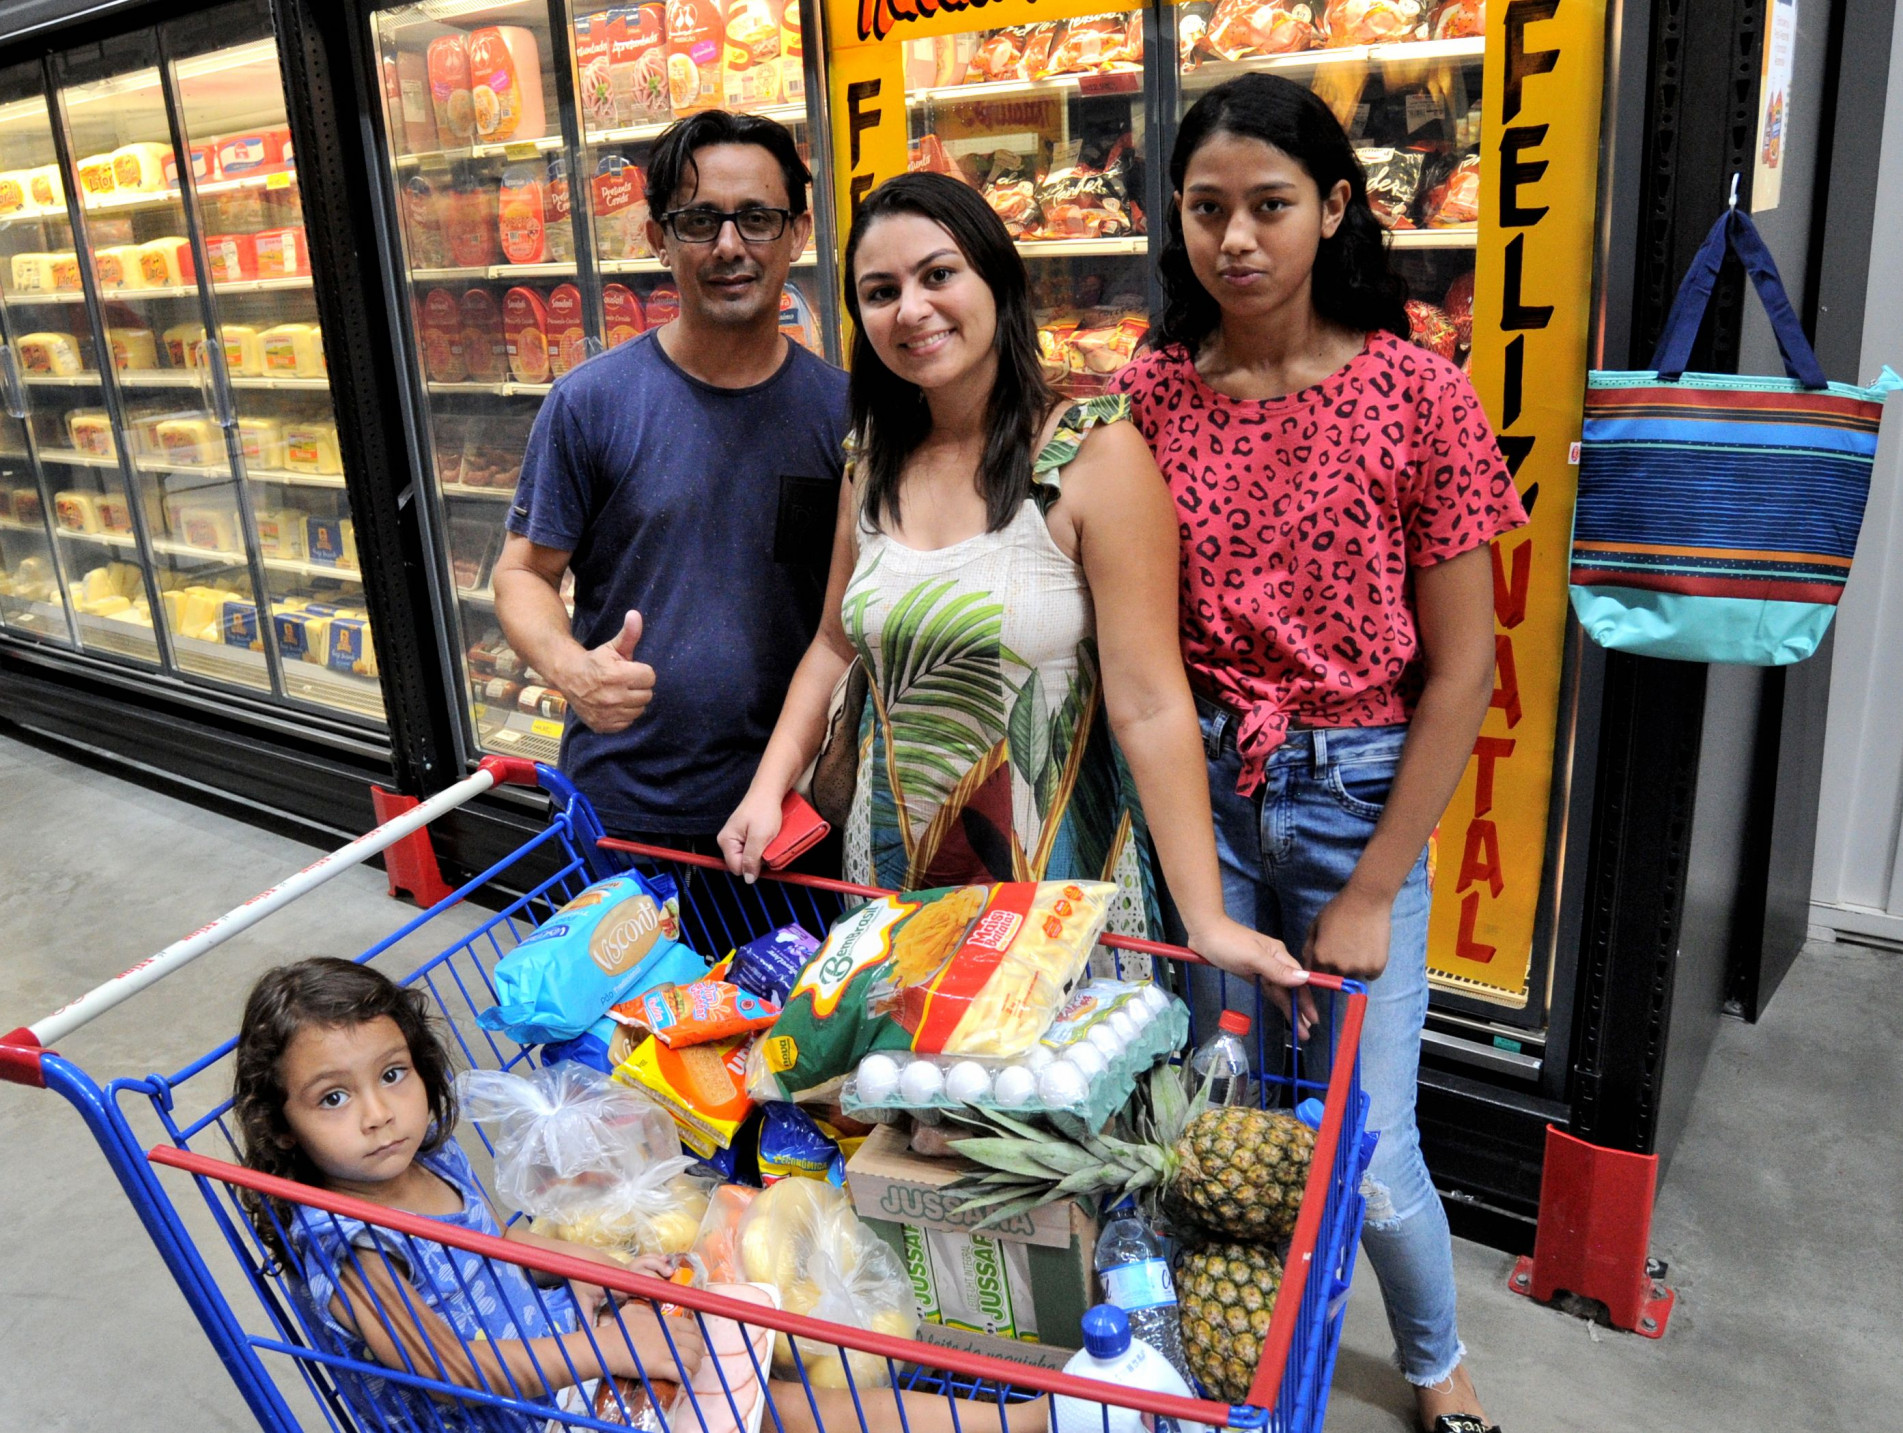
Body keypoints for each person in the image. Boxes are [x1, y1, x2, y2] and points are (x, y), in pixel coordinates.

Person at [1109, 75, 1525, 1433]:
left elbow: (1461, 668)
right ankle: (1213, 1363)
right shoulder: (1153, 391)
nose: (1234, 239)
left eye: (1268, 206)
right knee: (1206, 1111)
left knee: (1367, 1136)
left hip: (1355, 796)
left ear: (1333, 207)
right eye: (1205, 208)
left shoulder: (1417, 391)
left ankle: (1431, 1356)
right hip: (1200, 795)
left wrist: (1369, 887)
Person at [718, 171, 1312, 1001]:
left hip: (1051, 884)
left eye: (938, 274)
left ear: (998, 280)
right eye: (880, 292)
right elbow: (832, 645)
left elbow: (1149, 701)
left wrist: (1204, 917)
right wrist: (766, 787)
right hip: (892, 877)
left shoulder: (1091, 456)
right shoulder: (868, 462)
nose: (912, 310)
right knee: (904, 1104)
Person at [233, 957, 1047, 1433]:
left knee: (753, 1365)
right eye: (332, 1098)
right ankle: (1030, 1423)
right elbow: (447, 1366)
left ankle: (1021, 1422)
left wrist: (599, 1266)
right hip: (523, 1413)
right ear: (284, 1124)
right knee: (763, 1402)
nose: (377, 1114)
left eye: (391, 1075)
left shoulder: (430, 1164)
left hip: (573, 1370)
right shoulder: (346, 1237)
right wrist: (615, 1350)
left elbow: (502, 1250)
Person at [494, 109, 850, 854]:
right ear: (657, 237)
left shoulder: (844, 415)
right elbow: (522, 573)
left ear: (799, 233)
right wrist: (571, 669)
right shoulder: (590, 403)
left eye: (757, 219)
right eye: (698, 221)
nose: (729, 246)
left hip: (794, 811)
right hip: (626, 811)